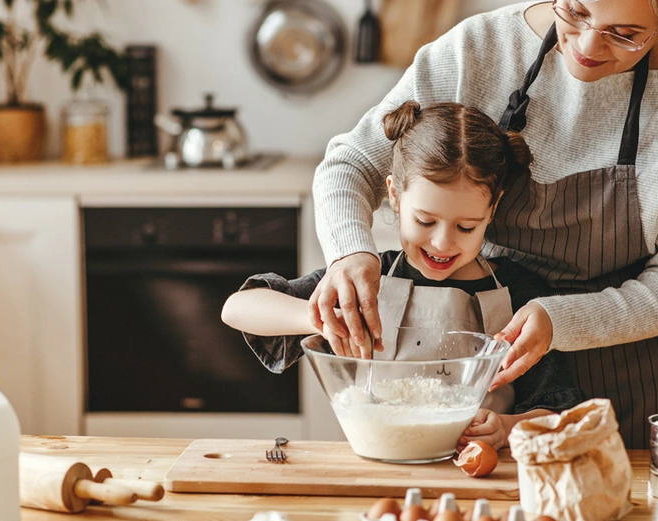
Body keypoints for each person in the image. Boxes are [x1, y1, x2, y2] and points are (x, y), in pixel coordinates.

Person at [307, 0, 658, 449]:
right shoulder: (479, 50)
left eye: (625, 34)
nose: (588, 44)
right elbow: (353, 163)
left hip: (644, 386)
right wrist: (349, 250)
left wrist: (561, 319)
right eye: (576, 11)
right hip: (502, 399)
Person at [221, 100, 583, 450]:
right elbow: (238, 308)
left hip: (482, 481)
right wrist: (320, 317)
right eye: (425, 221)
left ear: (494, 209)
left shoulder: (518, 293)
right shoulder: (365, 283)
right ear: (394, 196)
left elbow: (558, 412)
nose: (442, 243)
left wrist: (505, 429)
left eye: (467, 227)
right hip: (379, 469)